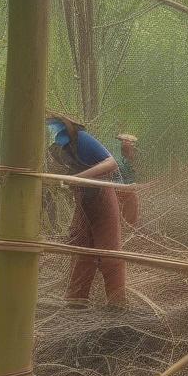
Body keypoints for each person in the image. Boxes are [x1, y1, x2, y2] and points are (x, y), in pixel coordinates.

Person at [45, 113, 127, 308]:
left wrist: (79, 178)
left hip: (101, 196)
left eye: (50, 124)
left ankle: (117, 304)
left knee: (108, 251)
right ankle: (76, 300)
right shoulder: (60, 148)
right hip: (83, 200)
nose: (49, 128)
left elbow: (111, 163)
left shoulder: (81, 138)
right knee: (80, 248)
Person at [113, 132, 140, 229]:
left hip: (130, 185)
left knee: (132, 202)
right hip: (118, 185)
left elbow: (134, 170)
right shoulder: (117, 155)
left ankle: (129, 227)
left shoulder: (136, 154)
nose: (125, 142)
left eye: (128, 141)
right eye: (123, 141)